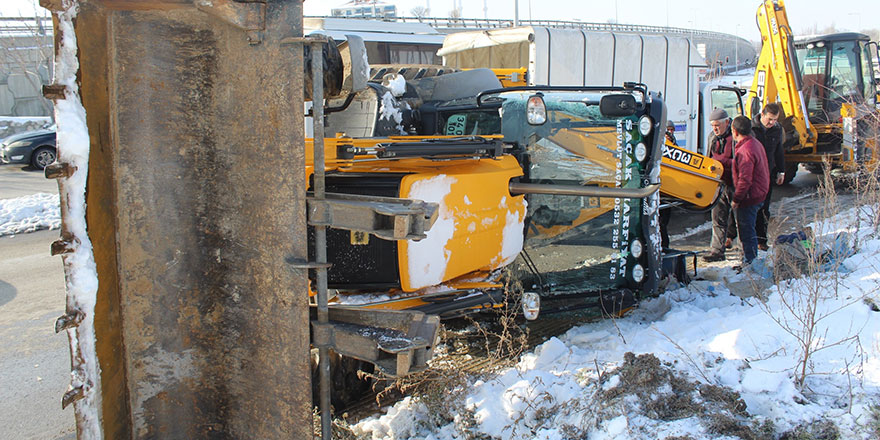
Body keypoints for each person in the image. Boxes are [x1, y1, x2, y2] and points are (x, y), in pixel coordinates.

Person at [730, 115, 770, 266]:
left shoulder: (745, 150)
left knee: (747, 231)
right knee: (749, 229)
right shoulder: (755, 143)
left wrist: (737, 199)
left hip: (750, 197)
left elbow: (745, 180)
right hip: (760, 193)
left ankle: (750, 263)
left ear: (735, 131)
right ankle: (749, 259)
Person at [750, 103, 786, 251]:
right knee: (748, 208)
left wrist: (781, 171)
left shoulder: (777, 130)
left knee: (764, 209)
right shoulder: (752, 128)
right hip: (752, 174)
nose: (772, 123)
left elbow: (779, 151)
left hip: (768, 174)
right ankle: (739, 238)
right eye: (770, 119)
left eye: (775, 120)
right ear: (762, 115)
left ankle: (761, 240)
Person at [703, 109, 735, 262]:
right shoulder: (712, 137)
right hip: (718, 183)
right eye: (712, 126)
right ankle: (717, 251)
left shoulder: (735, 138)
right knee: (717, 218)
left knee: (739, 220)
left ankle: (745, 254)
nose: (715, 129)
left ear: (727, 123)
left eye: (717, 125)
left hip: (734, 183)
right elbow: (708, 158)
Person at [659, 120, 677, 252]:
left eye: (671, 130)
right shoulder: (658, 146)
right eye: (667, 130)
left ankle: (664, 247)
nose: (669, 133)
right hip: (659, 189)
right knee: (659, 224)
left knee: (663, 223)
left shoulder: (674, 148)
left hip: (668, 191)